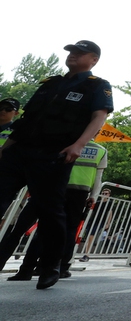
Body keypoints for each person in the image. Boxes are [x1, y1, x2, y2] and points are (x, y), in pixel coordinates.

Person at [0, 40, 113, 290]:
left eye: (79, 53)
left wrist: (79, 145)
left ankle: (51, 265)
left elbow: (99, 116)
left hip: (54, 155)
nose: (72, 55)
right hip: (20, 151)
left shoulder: (97, 86)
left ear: (93, 59)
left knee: (51, 213)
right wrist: (5, 149)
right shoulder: (51, 84)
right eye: (71, 52)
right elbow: (27, 120)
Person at [5, 139, 108, 280]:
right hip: (79, 193)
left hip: (53, 187)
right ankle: (62, 268)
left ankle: (28, 269)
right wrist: (94, 196)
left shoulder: (62, 142)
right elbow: (98, 177)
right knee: (70, 230)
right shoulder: (100, 150)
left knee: (42, 229)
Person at [79, 187, 114, 260]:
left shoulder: (109, 203)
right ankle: (86, 253)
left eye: (106, 194)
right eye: (103, 193)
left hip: (101, 221)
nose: (104, 195)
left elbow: (110, 213)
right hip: (92, 221)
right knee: (89, 236)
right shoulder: (97, 203)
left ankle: (87, 254)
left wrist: (108, 223)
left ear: (109, 195)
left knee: (91, 236)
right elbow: (92, 212)